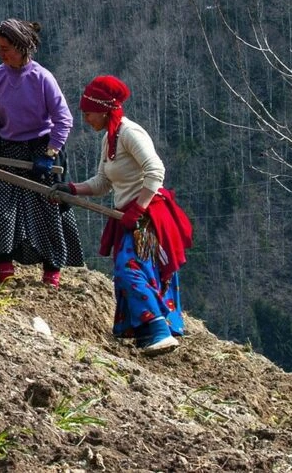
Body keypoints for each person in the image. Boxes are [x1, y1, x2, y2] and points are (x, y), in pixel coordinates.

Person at [54, 76, 193, 355]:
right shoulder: (110, 138)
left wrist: (138, 208)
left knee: (128, 270)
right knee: (137, 272)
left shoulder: (130, 133)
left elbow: (156, 171)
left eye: (88, 113)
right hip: (130, 216)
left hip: (148, 217)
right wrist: (72, 189)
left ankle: (157, 329)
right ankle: (147, 334)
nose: (86, 118)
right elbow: (103, 182)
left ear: (104, 110)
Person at [0, 18, 83, 286]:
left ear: (22, 47)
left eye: (6, 48)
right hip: (7, 149)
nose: (0, 53)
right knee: (1, 209)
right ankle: (4, 269)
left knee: (49, 209)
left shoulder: (42, 78)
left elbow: (63, 120)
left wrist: (49, 154)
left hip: (43, 148)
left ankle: (52, 273)